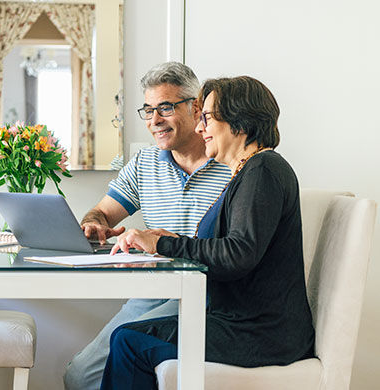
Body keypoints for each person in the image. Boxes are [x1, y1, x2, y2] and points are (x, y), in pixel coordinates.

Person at [100, 76, 316, 389]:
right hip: (242, 324)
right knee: (130, 337)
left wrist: (162, 243)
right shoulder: (247, 173)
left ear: (239, 122)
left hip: (262, 333)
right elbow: (228, 245)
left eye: (207, 118)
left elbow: (238, 254)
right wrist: (170, 241)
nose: (200, 128)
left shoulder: (263, 170)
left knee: (130, 342)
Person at [63, 62, 232, 390]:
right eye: (148, 110)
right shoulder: (145, 162)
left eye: (165, 108)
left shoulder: (229, 163)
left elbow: (238, 249)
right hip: (152, 292)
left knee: (136, 363)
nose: (155, 121)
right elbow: (102, 212)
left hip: (209, 296)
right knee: (80, 375)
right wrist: (93, 225)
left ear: (196, 107)